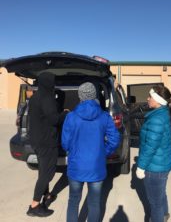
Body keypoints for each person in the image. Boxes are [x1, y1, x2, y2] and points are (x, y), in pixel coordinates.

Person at [62, 82, 120, 222]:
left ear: (80, 96)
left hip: (76, 165)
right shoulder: (104, 116)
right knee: (94, 203)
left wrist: (73, 150)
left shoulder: (71, 116)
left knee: (73, 201)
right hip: (96, 166)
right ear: (94, 95)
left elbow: (65, 143)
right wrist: (103, 152)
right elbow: (114, 140)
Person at [136, 85, 171, 222]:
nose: (147, 98)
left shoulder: (156, 119)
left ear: (158, 100)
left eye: (150, 96)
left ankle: (159, 217)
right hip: (162, 164)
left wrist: (140, 167)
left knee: (155, 203)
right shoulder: (162, 113)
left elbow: (150, 147)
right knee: (160, 194)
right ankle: (165, 214)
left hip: (155, 168)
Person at [27, 72, 68, 217]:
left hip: (36, 140)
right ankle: (35, 205)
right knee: (47, 174)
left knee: (43, 169)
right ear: (49, 83)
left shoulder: (34, 98)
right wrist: (65, 114)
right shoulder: (47, 99)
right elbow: (54, 120)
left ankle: (48, 196)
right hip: (46, 142)